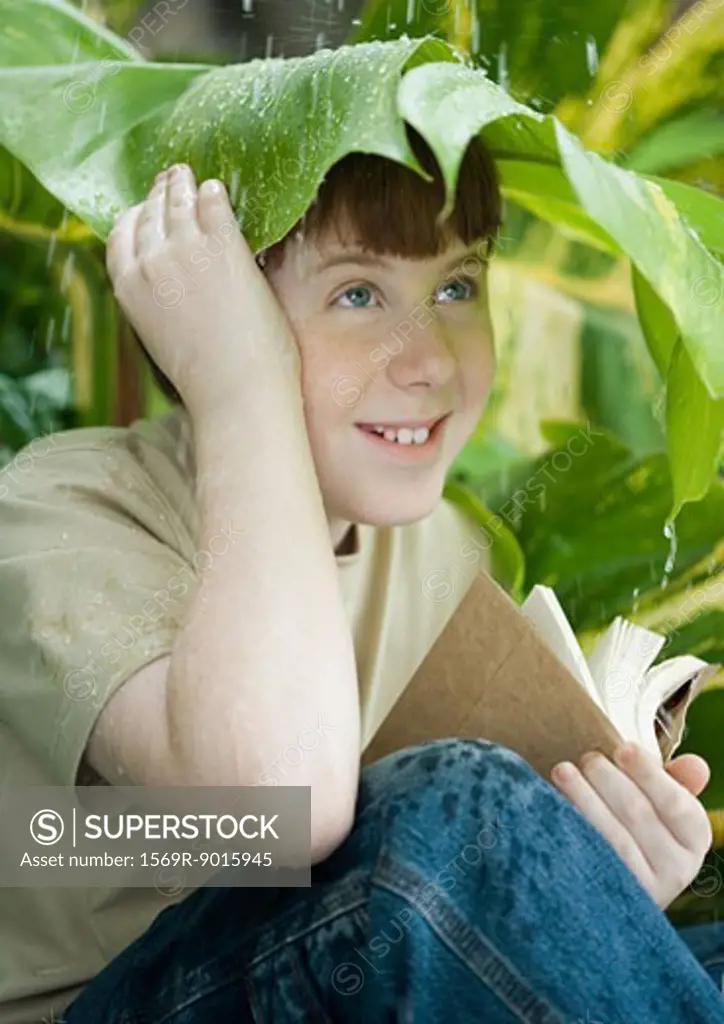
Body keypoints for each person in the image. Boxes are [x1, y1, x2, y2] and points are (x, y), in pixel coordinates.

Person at [0, 128, 722, 1024]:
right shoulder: (61, 512)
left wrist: (590, 891)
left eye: (456, 285)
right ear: (215, 317)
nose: (428, 360)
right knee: (473, 808)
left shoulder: (442, 552)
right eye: (356, 293)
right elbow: (277, 815)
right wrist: (240, 384)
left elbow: (425, 917)